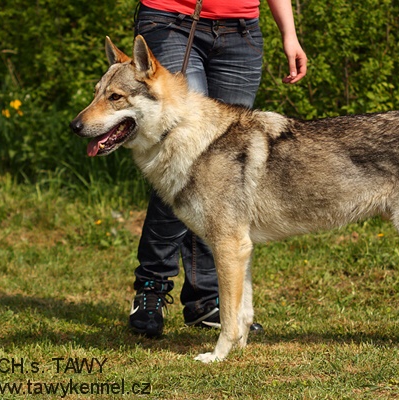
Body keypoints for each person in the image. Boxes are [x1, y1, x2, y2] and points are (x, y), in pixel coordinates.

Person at [129, 0, 307, 337]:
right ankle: (151, 288)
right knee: (179, 160)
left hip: (240, 32)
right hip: (171, 21)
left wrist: (289, 33)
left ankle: (206, 299)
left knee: (220, 175)